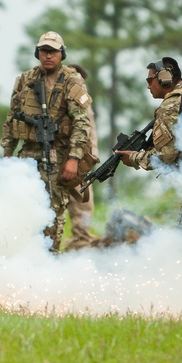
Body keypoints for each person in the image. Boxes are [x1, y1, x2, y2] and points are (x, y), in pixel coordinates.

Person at [1, 32, 97, 252]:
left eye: (53, 51)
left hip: (57, 156)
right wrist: (8, 153)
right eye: (44, 51)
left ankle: (49, 260)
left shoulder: (72, 80)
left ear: (61, 54)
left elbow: (82, 123)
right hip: (26, 155)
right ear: (38, 53)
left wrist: (73, 159)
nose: (48, 56)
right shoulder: (25, 80)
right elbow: (12, 117)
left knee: (53, 214)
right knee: (23, 211)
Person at [116, 57, 182, 171]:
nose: (148, 86)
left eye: (150, 80)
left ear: (163, 78)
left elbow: (167, 156)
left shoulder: (169, 106)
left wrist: (134, 157)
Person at [64, 63, 100, 249]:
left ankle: (81, 242)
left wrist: (85, 161)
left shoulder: (82, 98)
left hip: (79, 161)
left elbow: (89, 131)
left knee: (83, 205)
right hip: (59, 158)